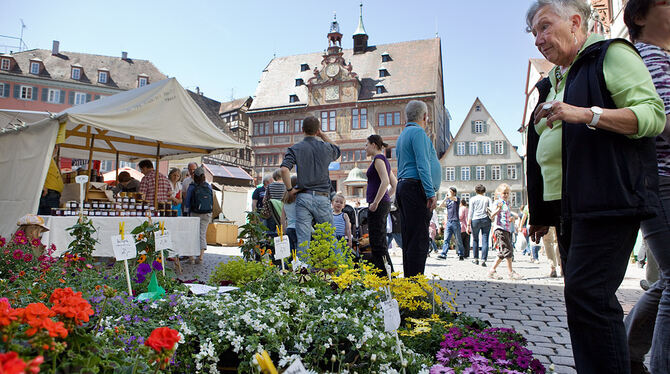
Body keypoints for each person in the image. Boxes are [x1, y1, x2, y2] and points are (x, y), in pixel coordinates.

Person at [525, 1, 666, 372]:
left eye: (543, 27)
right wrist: (541, 212)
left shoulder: (610, 55)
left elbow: (652, 115)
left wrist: (585, 114)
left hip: (607, 198)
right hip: (570, 206)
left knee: (590, 299)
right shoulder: (554, 79)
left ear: (575, 22)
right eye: (533, 33)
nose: (538, 39)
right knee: (583, 303)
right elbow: (545, 154)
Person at [622, 1, 670, 372]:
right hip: (661, 178)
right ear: (640, 16)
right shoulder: (647, 58)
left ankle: (624, 351)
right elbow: (658, 121)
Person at [280, 116, 341, 254]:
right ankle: (341, 273)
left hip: (304, 197)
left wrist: (290, 190)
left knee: (303, 242)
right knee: (330, 238)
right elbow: (337, 149)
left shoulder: (295, 148)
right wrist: (323, 135)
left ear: (302, 130)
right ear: (317, 130)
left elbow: (284, 170)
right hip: (322, 197)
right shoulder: (325, 148)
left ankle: (304, 273)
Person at [396, 100, 441, 277]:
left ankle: (410, 282)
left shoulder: (403, 135)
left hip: (405, 187)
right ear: (424, 117)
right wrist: (430, 193)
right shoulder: (419, 133)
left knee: (409, 239)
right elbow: (423, 164)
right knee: (419, 240)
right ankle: (416, 283)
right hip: (416, 188)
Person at [365, 134, 397, 276]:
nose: (365, 147)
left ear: (373, 145)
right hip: (382, 204)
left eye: (366, 144)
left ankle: (384, 277)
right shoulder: (383, 160)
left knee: (377, 244)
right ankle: (387, 276)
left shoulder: (378, 159)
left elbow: (385, 182)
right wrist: (385, 199)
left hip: (377, 205)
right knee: (380, 243)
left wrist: (376, 202)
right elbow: (394, 185)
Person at [487, 184, 523, 280]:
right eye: (504, 193)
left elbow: (505, 216)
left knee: (503, 252)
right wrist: (498, 209)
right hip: (500, 229)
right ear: (499, 193)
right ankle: (510, 272)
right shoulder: (497, 202)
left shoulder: (506, 203)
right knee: (507, 250)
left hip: (506, 229)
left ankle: (492, 271)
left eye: (507, 193)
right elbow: (492, 215)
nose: (506, 195)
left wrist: (510, 219)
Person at [184, 167, 212, 264]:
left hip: (195, 213)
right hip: (207, 213)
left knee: (192, 234)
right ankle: (200, 257)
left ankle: (191, 258)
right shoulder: (208, 186)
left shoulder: (192, 186)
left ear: (194, 176)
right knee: (202, 234)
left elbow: (187, 202)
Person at [438, 187, 465, 261]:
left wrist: (449, 196)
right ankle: (443, 254)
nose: (448, 193)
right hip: (449, 222)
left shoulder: (457, 199)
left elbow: (454, 198)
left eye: (449, 191)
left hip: (455, 221)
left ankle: (461, 254)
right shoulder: (448, 200)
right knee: (446, 239)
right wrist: (445, 198)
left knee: (458, 239)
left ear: (453, 192)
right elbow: (440, 206)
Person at [468, 184, 492, 267]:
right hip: (486, 219)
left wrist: (468, 223)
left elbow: (470, 211)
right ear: (484, 191)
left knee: (475, 239)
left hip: (475, 219)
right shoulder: (487, 199)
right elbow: (491, 209)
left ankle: (475, 258)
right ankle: (483, 259)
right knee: (485, 239)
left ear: (476, 191)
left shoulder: (472, 199)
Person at [38, 146, 63, 216]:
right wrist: (42, 186)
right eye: (55, 147)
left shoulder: (51, 159)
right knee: (48, 216)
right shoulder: (45, 157)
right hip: (49, 194)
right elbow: (39, 172)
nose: (56, 149)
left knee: (50, 216)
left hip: (53, 194)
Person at [281, 175, 298, 251]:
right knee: (300, 253)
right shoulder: (299, 199)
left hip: (289, 228)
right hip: (299, 229)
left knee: (291, 253)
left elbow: (282, 217)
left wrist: (283, 230)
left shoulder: (286, 200)